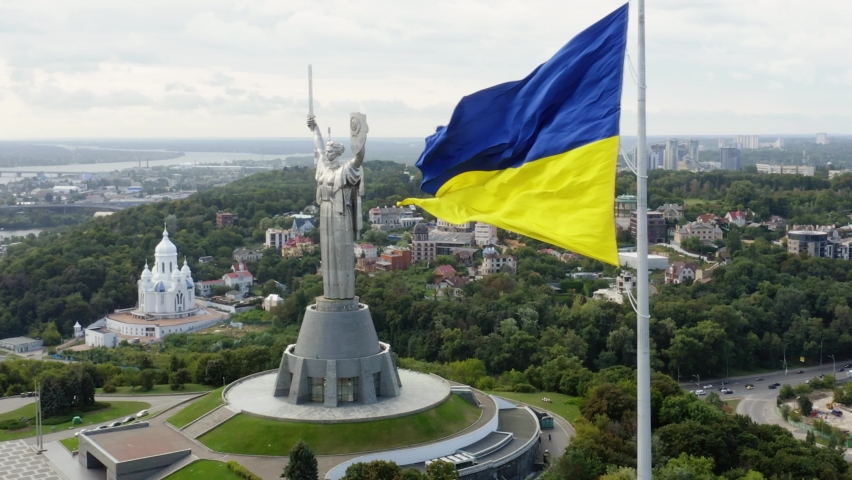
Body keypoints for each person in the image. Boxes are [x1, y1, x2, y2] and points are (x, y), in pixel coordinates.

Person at [307, 116, 366, 300]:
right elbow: (318, 145)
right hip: (325, 211)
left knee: (342, 252)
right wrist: (314, 127)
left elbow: (359, 158)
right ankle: (330, 292)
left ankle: (345, 293)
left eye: (331, 151)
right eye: (327, 151)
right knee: (328, 251)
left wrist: (359, 137)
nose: (327, 153)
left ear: (338, 153)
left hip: (340, 213)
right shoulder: (324, 168)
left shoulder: (345, 170)